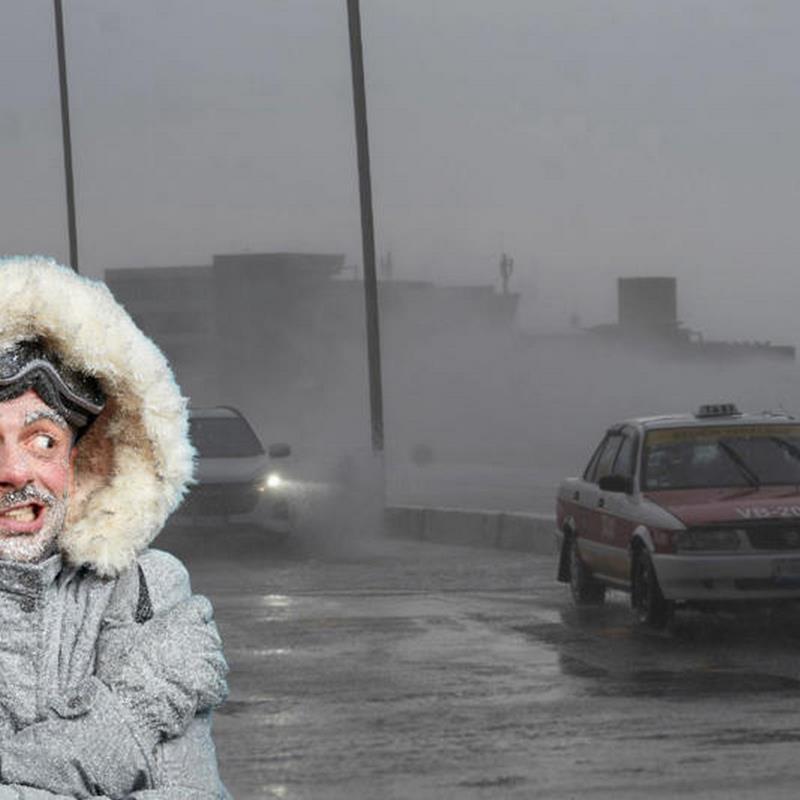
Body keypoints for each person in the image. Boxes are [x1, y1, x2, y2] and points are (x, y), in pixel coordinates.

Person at [0, 256, 229, 798]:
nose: (12, 471)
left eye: (43, 441)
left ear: (84, 463)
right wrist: (130, 709)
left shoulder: (145, 588)